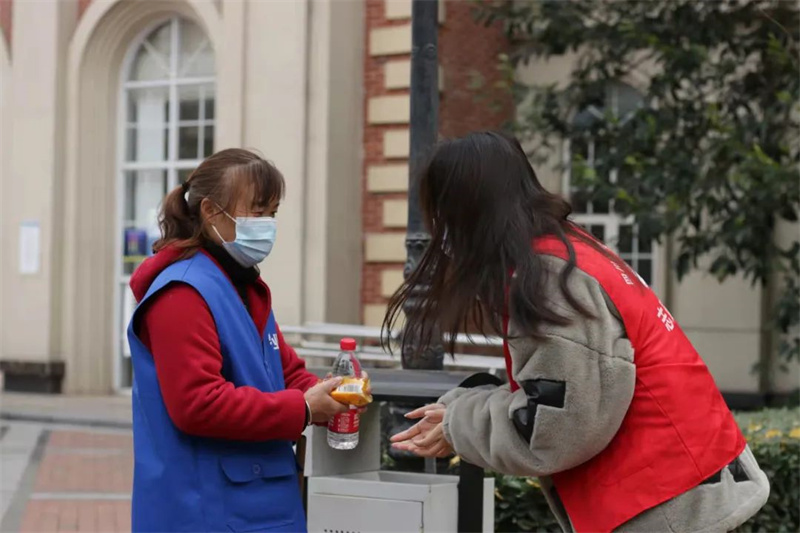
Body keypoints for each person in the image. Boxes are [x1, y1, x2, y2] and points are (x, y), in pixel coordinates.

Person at [387, 132, 770, 533]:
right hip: (689, 486)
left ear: (464, 210)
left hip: (667, 503)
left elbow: (555, 430)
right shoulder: (570, 251)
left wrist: (459, 423)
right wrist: (460, 414)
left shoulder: (548, 280)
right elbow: (563, 392)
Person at [127, 148, 350, 533]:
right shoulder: (182, 293)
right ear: (211, 212)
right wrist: (303, 408)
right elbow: (198, 404)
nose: (267, 225)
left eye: (273, 214)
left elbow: (285, 372)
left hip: (255, 505)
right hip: (205, 510)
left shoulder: (241, 284)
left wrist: (331, 392)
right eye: (257, 212)